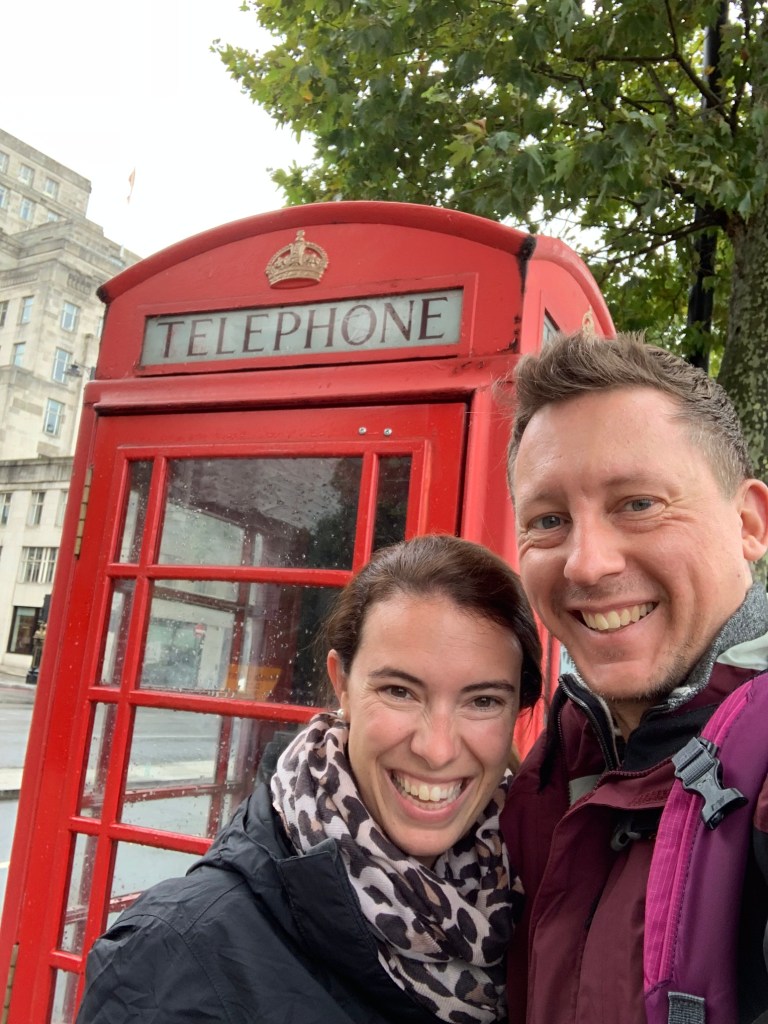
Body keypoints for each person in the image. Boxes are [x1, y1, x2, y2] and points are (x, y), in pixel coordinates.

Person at [76, 533, 542, 1024]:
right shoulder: (172, 957)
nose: (437, 748)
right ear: (342, 684)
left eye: (483, 701)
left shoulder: (533, 904)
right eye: (399, 691)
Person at [500, 330, 768, 1024]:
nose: (587, 564)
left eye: (639, 504)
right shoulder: (561, 751)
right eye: (549, 520)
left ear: (748, 523)